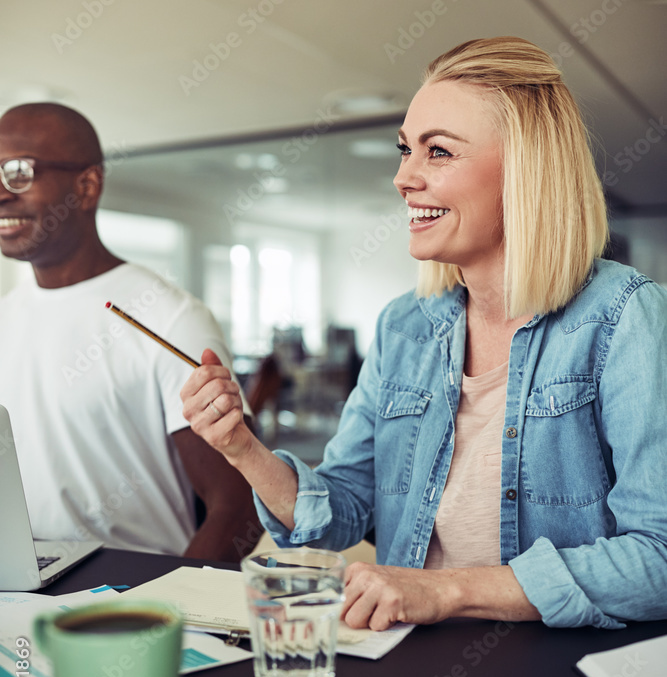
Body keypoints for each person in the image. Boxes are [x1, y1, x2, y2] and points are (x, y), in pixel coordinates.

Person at [180, 36, 667, 629]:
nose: (403, 177)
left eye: (438, 152)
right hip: (403, 665)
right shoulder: (403, 326)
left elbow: (657, 559)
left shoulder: (624, 317)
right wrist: (241, 448)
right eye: (405, 149)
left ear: (526, 171)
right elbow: (341, 514)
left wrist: (444, 591)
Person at [0, 102, 258, 558]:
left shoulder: (170, 318)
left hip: (134, 602)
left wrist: (173, 610)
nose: (2, 193)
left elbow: (240, 505)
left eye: (18, 172)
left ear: (87, 186)